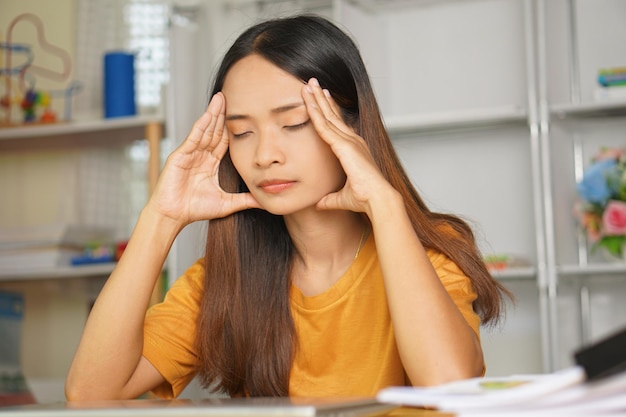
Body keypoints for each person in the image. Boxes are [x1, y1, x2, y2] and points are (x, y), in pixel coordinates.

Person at [65, 14, 512, 401]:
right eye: (241, 133)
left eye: (294, 123)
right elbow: (90, 395)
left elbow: (449, 388)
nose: (264, 155)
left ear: (352, 126)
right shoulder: (221, 280)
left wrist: (384, 205)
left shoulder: (433, 251)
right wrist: (161, 218)